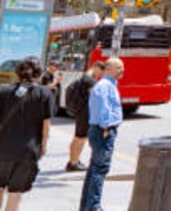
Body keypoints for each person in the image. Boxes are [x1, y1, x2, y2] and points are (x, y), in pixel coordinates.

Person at [0, 58, 53, 211]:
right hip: (28, 151)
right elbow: (46, 125)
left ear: (17, 73)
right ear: (39, 74)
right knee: (15, 194)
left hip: (2, 149)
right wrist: (43, 146)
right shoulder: (45, 93)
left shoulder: (3, 91)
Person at [79, 58, 124, 211]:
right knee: (100, 169)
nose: (122, 70)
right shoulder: (105, 86)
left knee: (94, 169)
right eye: (119, 67)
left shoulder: (108, 85)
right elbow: (103, 109)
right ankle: (93, 206)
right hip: (103, 130)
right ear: (109, 69)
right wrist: (106, 128)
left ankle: (87, 205)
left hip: (101, 130)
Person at [65, 61, 107, 172]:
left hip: (81, 112)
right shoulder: (90, 81)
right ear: (96, 67)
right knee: (80, 138)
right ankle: (73, 164)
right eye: (101, 73)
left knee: (78, 138)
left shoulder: (84, 78)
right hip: (85, 113)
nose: (100, 76)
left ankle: (74, 160)